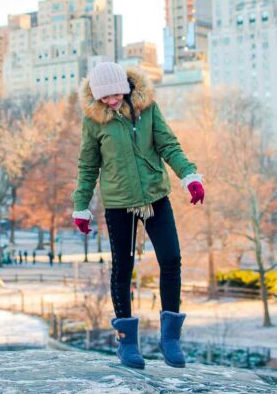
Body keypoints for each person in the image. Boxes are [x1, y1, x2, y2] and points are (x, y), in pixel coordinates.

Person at [71, 63, 204, 369]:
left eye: (114, 94)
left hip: (156, 196)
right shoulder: (93, 121)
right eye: (103, 97)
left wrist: (189, 176)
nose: (110, 101)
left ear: (126, 86)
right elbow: (87, 166)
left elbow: (168, 145)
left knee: (171, 259)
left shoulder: (148, 108)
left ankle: (170, 338)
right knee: (123, 267)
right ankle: (127, 342)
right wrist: (81, 205)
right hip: (119, 204)